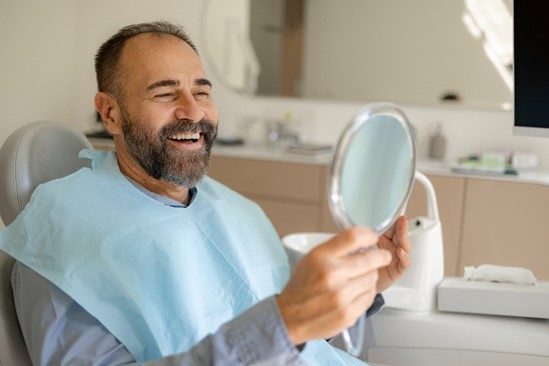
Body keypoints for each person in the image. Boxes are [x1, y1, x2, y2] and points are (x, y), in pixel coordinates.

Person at [0, 21, 411, 365]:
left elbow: (305, 345)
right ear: (110, 113)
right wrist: (284, 324)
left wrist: (364, 287)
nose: (193, 111)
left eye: (202, 91)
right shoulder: (59, 238)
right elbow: (285, 329)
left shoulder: (235, 209)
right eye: (165, 93)